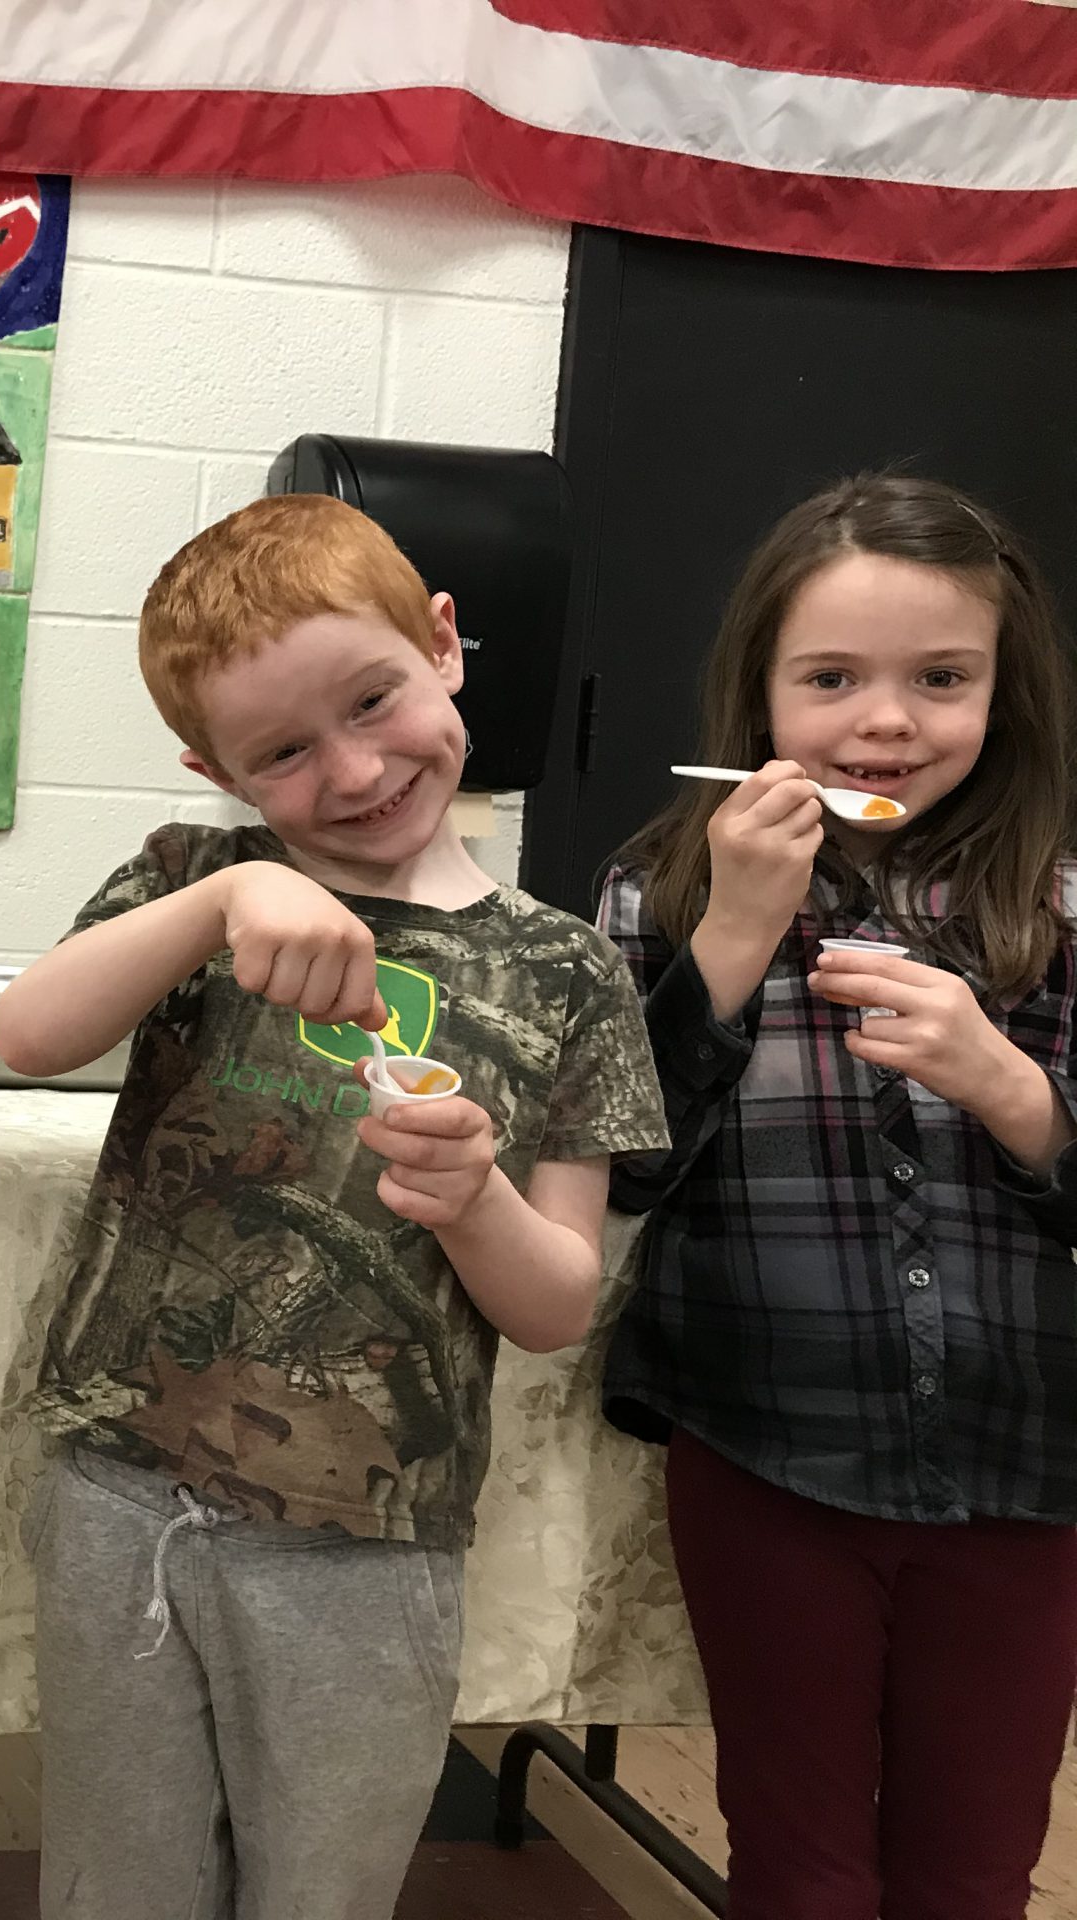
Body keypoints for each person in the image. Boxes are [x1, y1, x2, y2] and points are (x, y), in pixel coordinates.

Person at [0, 493, 666, 1920]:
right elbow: (34, 1034)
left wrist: (473, 1200)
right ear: (209, 766)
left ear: (445, 646)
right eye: (282, 756)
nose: (356, 771)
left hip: (370, 1544)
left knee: (322, 1893)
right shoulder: (189, 874)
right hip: (120, 1490)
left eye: (375, 701)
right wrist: (221, 897)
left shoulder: (567, 974)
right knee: (117, 1887)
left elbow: (555, 1305)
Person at [598, 474, 1077, 1920]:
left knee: (977, 1870)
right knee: (797, 1866)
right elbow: (620, 1169)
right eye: (832, 679)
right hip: (765, 1448)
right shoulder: (659, 889)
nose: (886, 722)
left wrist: (1011, 1088)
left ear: (1007, 690)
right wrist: (735, 940)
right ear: (761, 692)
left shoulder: (1055, 900)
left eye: (942, 679)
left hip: (1026, 1465)